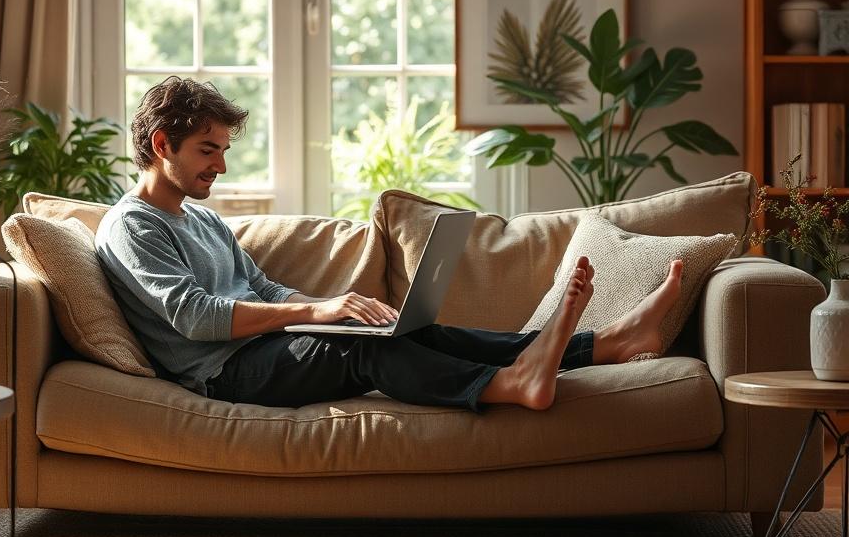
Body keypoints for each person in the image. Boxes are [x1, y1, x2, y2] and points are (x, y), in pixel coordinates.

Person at [95, 77, 684, 413]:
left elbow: (264, 288)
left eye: (224, 149)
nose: (221, 165)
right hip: (223, 374)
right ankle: (507, 385)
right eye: (208, 150)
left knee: (406, 331)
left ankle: (606, 344)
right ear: (162, 142)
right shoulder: (132, 226)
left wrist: (341, 309)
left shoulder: (203, 219)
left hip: (264, 349)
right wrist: (316, 315)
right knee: (360, 354)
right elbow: (197, 319)